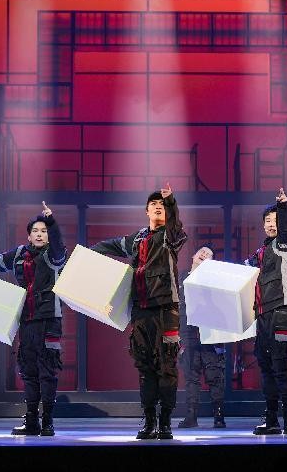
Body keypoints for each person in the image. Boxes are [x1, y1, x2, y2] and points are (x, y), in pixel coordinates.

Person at [91, 183, 187, 440]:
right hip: (141, 311)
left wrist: (170, 200)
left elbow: (175, 222)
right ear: (146, 211)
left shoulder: (170, 235)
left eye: (161, 205)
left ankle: (165, 421)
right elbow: (111, 246)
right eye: (153, 204)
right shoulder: (136, 239)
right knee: (144, 367)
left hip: (166, 309)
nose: (158, 207)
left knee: (166, 366)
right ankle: (149, 419)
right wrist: (83, 257)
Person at [0, 202, 67, 436]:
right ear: (29, 235)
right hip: (26, 321)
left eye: (44, 231)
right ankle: (31, 420)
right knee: (29, 371)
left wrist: (51, 221)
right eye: (36, 231)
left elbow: (58, 242)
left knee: (47, 371)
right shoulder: (18, 255)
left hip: (49, 320)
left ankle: (48, 421)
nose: (40, 234)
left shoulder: (54, 255)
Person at [245, 188, 287, 435]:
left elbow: (285, 230)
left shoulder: (284, 244)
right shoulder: (261, 252)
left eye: (275, 220)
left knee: (281, 368)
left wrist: (284, 207)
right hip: (263, 315)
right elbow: (239, 274)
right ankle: (272, 420)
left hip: (283, 312)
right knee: (266, 369)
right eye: (267, 220)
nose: (270, 224)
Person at [177, 245, 226, 429]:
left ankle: (219, 417)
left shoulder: (214, 281)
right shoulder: (181, 277)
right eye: (202, 251)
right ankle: (191, 417)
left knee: (214, 376)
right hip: (187, 333)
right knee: (191, 377)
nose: (204, 255)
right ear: (193, 255)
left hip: (209, 332)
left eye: (209, 255)